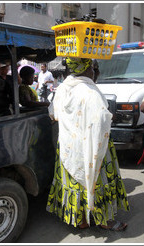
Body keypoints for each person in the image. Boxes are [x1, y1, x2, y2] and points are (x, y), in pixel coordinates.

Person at [46, 57, 130, 231]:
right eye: (91, 68)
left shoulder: (62, 88)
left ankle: (81, 220)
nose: (93, 71)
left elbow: (54, 115)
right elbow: (100, 118)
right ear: (84, 69)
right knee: (97, 179)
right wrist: (112, 117)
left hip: (69, 147)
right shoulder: (89, 90)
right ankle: (104, 221)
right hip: (91, 146)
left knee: (75, 180)